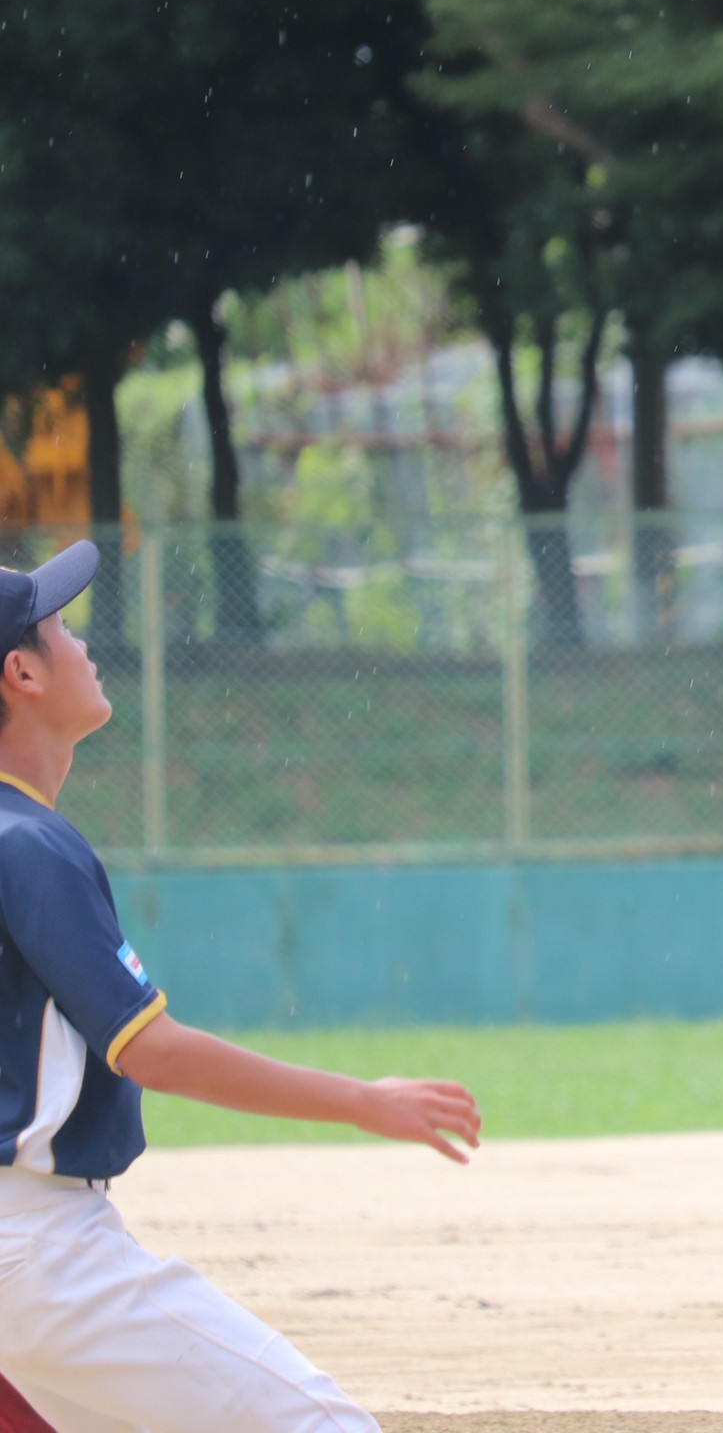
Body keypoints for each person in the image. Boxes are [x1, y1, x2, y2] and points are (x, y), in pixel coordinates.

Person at [0, 542, 481, 1432]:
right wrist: (363, 1101)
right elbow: (154, 1050)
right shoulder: (26, 845)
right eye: (60, 628)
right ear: (20, 671)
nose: (84, 645)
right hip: (41, 1252)